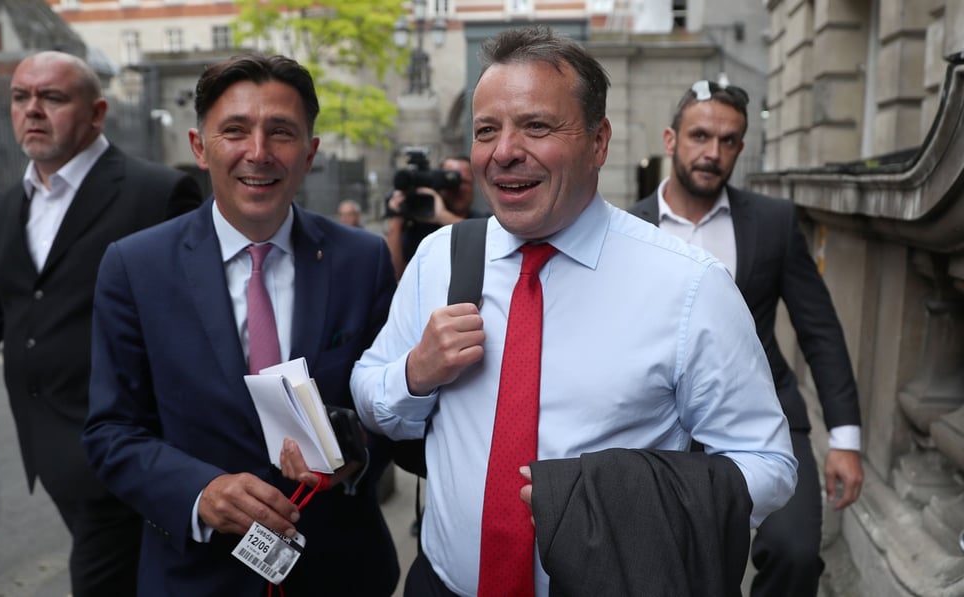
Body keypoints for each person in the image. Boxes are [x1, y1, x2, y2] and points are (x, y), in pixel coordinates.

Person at [351, 25, 797, 597]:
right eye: (487, 130)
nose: (505, 151)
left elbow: (768, 464)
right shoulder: (440, 256)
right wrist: (415, 375)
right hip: (440, 583)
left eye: (537, 126)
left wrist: (616, 496)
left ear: (599, 141)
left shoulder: (689, 288)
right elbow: (369, 390)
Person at [82, 53, 399, 596]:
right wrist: (200, 492)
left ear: (310, 153)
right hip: (199, 576)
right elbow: (111, 431)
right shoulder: (136, 267)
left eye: (281, 132)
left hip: (341, 572)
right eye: (235, 131)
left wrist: (358, 455)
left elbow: (388, 403)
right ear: (199, 147)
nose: (258, 153)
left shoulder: (361, 260)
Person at [0, 51, 202, 595]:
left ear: (97, 112)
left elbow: (197, 329)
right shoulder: (8, 205)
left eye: (52, 97)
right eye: (20, 97)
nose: (32, 110)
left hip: (128, 453)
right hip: (51, 455)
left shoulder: (155, 194)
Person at [627, 79, 864, 597]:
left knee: (797, 553)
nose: (713, 153)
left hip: (769, 414)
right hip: (664, 426)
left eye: (729, 140)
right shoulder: (627, 227)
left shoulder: (773, 223)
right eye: (700, 136)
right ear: (671, 140)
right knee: (680, 569)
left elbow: (819, 328)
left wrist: (845, 439)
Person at [385, 155, 483, 279]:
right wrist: (396, 219)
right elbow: (393, 275)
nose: (457, 188)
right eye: (449, 179)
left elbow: (485, 242)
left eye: (464, 181)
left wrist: (442, 216)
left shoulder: (485, 223)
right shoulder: (418, 228)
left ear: (474, 185)